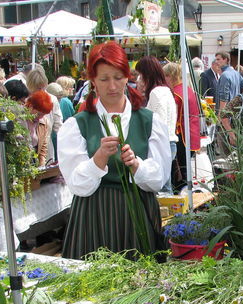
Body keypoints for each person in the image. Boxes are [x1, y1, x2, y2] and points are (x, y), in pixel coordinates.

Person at [57, 41, 171, 259]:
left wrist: (137, 165)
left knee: (139, 285)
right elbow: (77, 185)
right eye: (104, 79)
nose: (112, 86)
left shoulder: (150, 122)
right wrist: (99, 158)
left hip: (138, 215)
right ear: (93, 82)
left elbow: (159, 179)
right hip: (94, 216)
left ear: (128, 77)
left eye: (118, 78)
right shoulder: (77, 125)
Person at [135, 56, 177, 194]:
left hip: (162, 144)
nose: (138, 80)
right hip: (169, 143)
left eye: (140, 75)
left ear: (147, 75)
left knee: (162, 189)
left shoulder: (156, 92)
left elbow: (159, 124)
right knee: (165, 187)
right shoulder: (166, 90)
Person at [163, 62, 201, 191]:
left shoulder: (177, 94)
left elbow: (173, 119)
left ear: (170, 76)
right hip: (191, 133)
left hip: (182, 135)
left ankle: (180, 194)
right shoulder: (187, 89)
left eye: (165, 76)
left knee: (179, 170)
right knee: (185, 169)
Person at [27, 68, 63, 161]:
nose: (40, 90)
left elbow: (58, 126)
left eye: (42, 87)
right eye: (37, 88)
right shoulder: (26, 100)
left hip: (46, 147)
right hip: (29, 147)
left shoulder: (52, 100)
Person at [24, 90, 54, 167]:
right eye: (39, 114)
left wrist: (42, 166)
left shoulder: (44, 122)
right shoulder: (21, 119)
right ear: (30, 106)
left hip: (34, 162)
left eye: (43, 115)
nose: (40, 117)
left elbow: (43, 148)